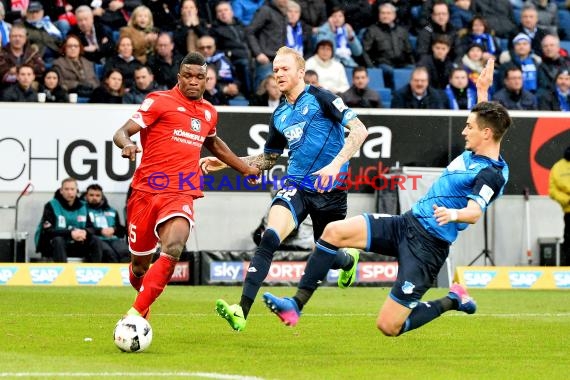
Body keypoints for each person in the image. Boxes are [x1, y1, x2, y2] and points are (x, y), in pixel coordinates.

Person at [263, 59, 513, 337]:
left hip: (429, 247)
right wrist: (482, 91)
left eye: (469, 127)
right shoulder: (478, 147)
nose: (464, 131)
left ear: (486, 134)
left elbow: (474, 212)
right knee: (333, 232)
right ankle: (295, 305)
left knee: (389, 326)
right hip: (407, 224)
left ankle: (452, 300)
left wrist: (453, 215)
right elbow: (486, 118)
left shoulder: (491, 173)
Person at [201, 46, 368, 331]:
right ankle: (241, 311)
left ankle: (347, 260)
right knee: (269, 237)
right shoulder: (279, 114)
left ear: (301, 72)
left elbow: (360, 130)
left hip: (331, 190)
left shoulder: (322, 98)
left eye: (284, 69)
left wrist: (336, 163)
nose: (277, 73)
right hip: (297, 186)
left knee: (326, 255)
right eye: (275, 69)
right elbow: (268, 158)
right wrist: (228, 162)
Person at [112, 51, 260, 320]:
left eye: (200, 77)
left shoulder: (208, 113)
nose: (194, 81)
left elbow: (214, 144)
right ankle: (142, 300)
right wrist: (128, 144)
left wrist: (245, 168)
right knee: (139, 267)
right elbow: (121, 132)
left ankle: (134, 316)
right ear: (179, 77)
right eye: (188, 76)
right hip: (145, 192)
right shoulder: (158, 101)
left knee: (174, 246)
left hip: (180, 190)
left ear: (207, 80)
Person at [35, 177, 103, 263]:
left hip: (78, 244)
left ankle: (95, 272)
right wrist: (70, 233)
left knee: (96, 240)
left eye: (72, 189)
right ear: (61, 191)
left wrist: (84, 232)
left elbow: (92, 228)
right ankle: (63, 273)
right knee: (58, 240)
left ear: (76, 191)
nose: (69, 192)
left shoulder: (84, 206)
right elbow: (48, 231)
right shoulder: (51, 205)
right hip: (57, 245)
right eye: (66, 189)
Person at [83, 184, 130, 263]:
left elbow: (120, 229)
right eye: (91, 195)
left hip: (113, 239)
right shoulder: (83, 210)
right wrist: (100, 231)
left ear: (102, 197)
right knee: (110, 254)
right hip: (96, 240)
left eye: (98, 195)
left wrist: (114, 229)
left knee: (125, 252)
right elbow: (84, 227)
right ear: (86, 196)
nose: (94, 198)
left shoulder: (112, 211)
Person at [549, 145, 570, 266]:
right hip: (569, 213)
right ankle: (567, 273)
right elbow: (552, 191)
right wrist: (567, 199)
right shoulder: (558, 167)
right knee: (568, 243)